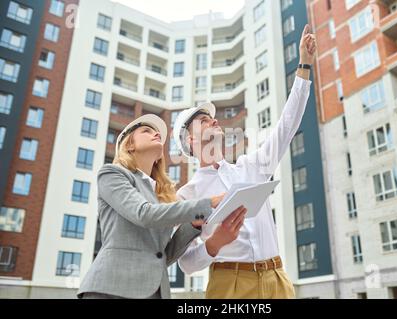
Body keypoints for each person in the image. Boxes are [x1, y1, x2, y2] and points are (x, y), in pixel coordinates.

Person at [172, 24, 317, 299]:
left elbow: (287, 125)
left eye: (213, 119)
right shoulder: (187, 195)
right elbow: (186, 262)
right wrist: (214, 244)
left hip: (277, 279)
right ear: (190, 141)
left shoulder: (252, 166)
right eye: (204, 121)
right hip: (229, 285)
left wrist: (304, 66)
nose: (214, 121)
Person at [77, 114, 244, 299]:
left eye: (156, 132)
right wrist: (208, 203)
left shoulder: (160, 195)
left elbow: (162, 255)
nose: (156, 133)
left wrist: (193, 226)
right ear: (129, 145)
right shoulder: (111, 174)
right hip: (111, 289)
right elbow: (144, 214)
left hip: (155, 291)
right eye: (146, 131)